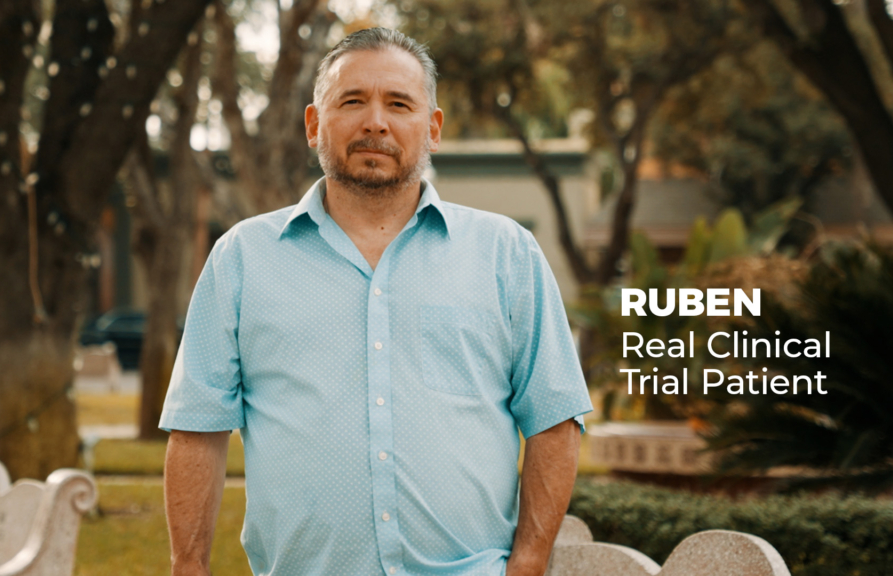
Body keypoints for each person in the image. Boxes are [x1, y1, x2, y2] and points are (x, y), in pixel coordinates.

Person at [161, 27, 593, 576]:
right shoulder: (243, 259)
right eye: (353, 101)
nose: (375, 122)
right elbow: (197, 428)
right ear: (315, 124)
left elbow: (554, 419)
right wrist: (188, 567)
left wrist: (528, 564)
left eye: (399, 103)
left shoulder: (506, 254)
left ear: (431, 128)